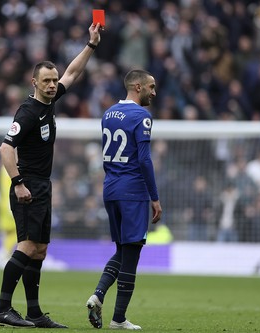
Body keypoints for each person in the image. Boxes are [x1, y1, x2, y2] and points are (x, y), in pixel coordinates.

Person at [0, 23, 102, 328]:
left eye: (54, 80)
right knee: (26, 246)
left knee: (39, 250)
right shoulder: (27, 112)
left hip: (43, 186)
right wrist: (18, 184)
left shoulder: (49, 102)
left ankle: (34, 313)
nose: (53, 84)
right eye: (47, 81)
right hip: (29, 186)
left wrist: (91, 45)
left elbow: (73, 73)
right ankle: (1, 308)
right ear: (34, 83)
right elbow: (5, 149)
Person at [86, 69, 162, 330]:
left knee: (121, 250)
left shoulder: (108, 114)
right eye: (151, 87)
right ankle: (118, 318)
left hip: (111, 189)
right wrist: (154, 197)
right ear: (138, 87)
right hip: (133, 192)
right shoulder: (142, 116)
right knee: (131, 254)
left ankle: (98, 294)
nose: (154, 92)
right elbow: (144, 159)